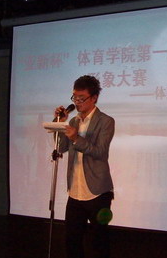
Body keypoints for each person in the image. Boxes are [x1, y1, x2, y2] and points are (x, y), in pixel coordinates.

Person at [54, 75, 115, 258]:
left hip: (98, 192)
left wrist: (76, 138)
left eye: (82, 98)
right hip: (75, 190)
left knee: (99, 242)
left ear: (94, 98)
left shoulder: (106, 121)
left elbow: (100, 152)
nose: (77, 102)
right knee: (72, 241)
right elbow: (61, 148)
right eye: (75, 97)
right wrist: (60, 123)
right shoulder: (73, 122)